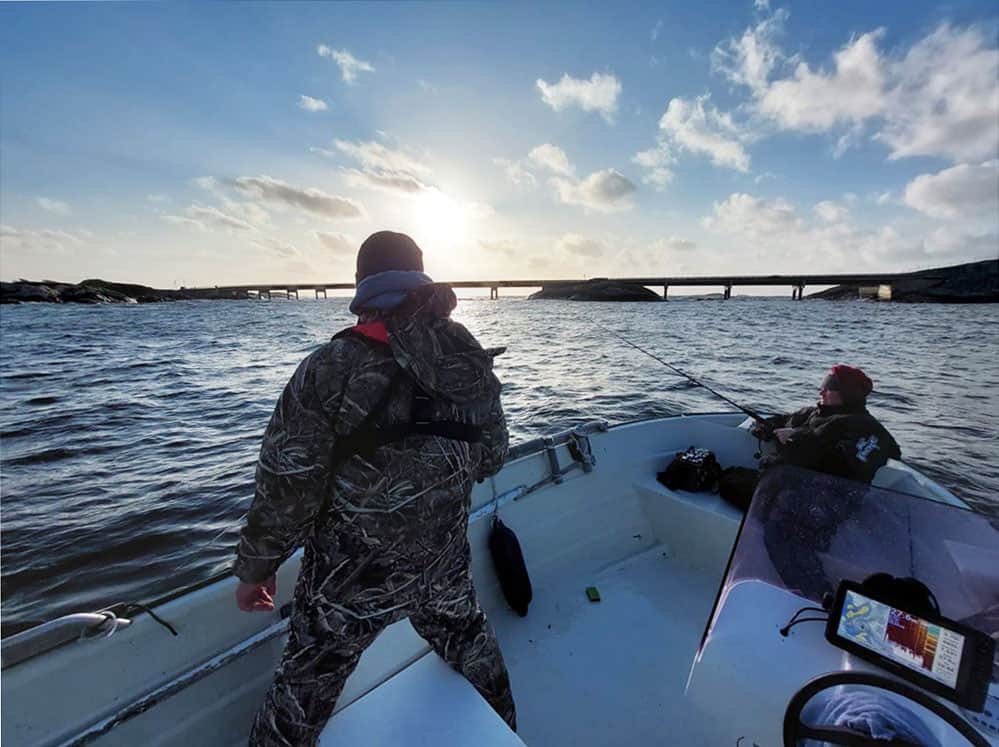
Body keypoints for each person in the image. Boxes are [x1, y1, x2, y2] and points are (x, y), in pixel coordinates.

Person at [233, 231, 516, 746]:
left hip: (347, 588)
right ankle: (508, 731)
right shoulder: (465, 358)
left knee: (299, 696)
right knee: (472, 642)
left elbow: (286, 490)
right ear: (422, 278)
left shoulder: (328, 368)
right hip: (442, 569)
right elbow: (492, 457)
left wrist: (256, 570)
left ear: (363, 286)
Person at [752, 364, 901, 484]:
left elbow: (841, 467)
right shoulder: (813, 413)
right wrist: (765, 427)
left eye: (829, 386)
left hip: (816, 499)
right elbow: (783, 420)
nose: (821, 391)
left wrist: (796, 437)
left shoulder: (867, 428)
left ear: (847, 393)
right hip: (776, 483)